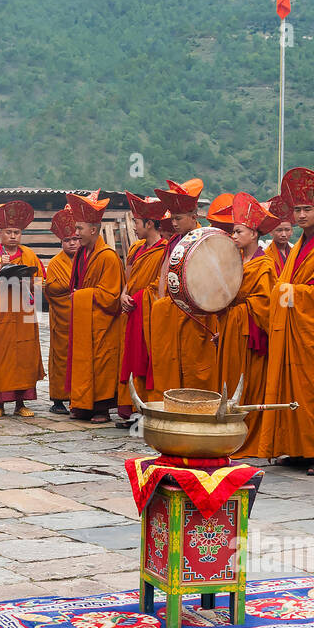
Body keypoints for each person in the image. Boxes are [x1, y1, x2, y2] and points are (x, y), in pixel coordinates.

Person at [256, 168, 314, 472]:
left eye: (307, 209)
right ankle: (295, 447)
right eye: (297, 209)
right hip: (294, 329)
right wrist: (285, 290)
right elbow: (286, 283)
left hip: (312, 333)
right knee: (291, 391)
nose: (302, 214)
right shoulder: (298, 248)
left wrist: (285, 292)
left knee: (313, 390)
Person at [216, 192, 278, 456]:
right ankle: (226, 433)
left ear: (254, 233)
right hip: (232, 329)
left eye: (239, 231)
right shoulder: (236, 262)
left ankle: (248, 438)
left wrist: (239, 308)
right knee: (228, 380)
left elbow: (265, 303)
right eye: (233, 231)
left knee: (247, 383)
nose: (234, 236)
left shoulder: (265, 265)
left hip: (249, 334)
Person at [150, 178, 220, 395]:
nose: (174, 224)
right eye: (172, 218)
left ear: (194, 216)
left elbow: (215, 279)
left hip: (199, 314)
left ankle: (198, 409)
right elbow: (164, 273)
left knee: (197, 366)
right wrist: (162, 303)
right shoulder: (173, 242)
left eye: (179, 218)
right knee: (171, 363)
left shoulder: (207, 239)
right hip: (172, 312)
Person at [0, 200, 45, 418]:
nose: (13, 236)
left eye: (17, 232)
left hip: (23, 312)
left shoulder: (29, 255)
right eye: (8, 232)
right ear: (0, 233)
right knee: (0, 357)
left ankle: (21, 404)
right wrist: (0, 267)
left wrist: (27, 282)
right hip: (0, 312)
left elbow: (39, 284)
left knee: (24, 356)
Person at [65, 192, 125, 424]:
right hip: (84, 319)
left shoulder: (107, 257)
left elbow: (111, 296)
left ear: (93, 229)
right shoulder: (81, 253)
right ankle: (82, 404)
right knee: (81, 361)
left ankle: (101, 407)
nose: (76, 234)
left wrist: (82, 295)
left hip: (102, 321)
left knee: (101, 363)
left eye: (80, 229)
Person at [118, 192, 169, 418]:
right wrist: (123, 295)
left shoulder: (165, 249)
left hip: (149, 313)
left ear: (150, 224)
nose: (134, 227)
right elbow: (129, 280)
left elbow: (163, 284)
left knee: (147, 358)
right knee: (131, 357)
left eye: (136, 222)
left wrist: (140, 297)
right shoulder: (135, 249)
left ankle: (148, 407)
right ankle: (130, 406)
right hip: (132, 310)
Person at [44, 209, 79, 414]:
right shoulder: (56, 263)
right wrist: (73, 291)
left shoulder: (86, 258)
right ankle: (58, 398)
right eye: (67, 240)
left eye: (75, 238)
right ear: (61, 242)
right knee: (61, 358)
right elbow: (52, 289)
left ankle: (77, 395)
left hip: (81, 317)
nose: (72, 243)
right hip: (62, 319)